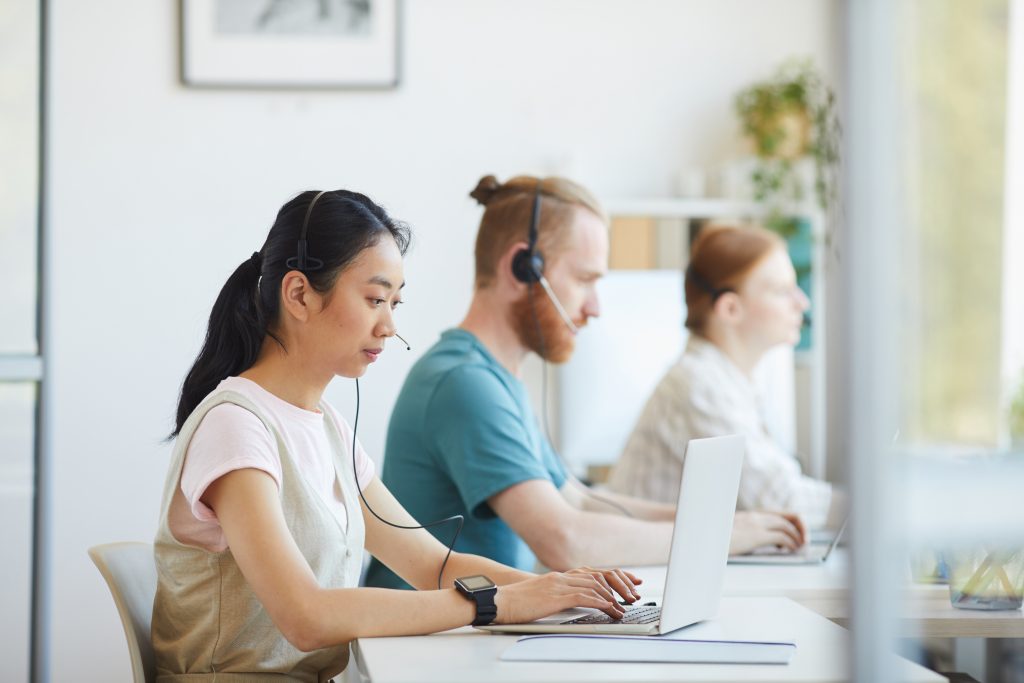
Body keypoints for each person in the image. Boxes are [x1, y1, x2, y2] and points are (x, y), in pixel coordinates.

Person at [152, 189, 642, 682]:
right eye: (374, 299)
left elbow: (433, 565)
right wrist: (493, 604)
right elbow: (306, 616)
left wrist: (561, 592)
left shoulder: (326, 428)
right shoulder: (236, 426)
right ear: (299, 294)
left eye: (394, 302)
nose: (389, 326)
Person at [364, 176, 806, 591]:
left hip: (468, 631)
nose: (594, 307)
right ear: (523, 268)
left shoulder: (497, 378)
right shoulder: (464, 383)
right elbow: (564, 539)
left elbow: (579, 500)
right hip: (427, 650)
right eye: (583, 280)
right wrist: (724, 534)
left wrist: (719, 520)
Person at [606, 224, 845, 530]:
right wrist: (875, 505)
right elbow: (781, 500)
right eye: (782, 291)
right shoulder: (699, 384)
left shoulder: (730, 379)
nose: (802, 302)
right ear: (731, 308)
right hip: (646, 572)